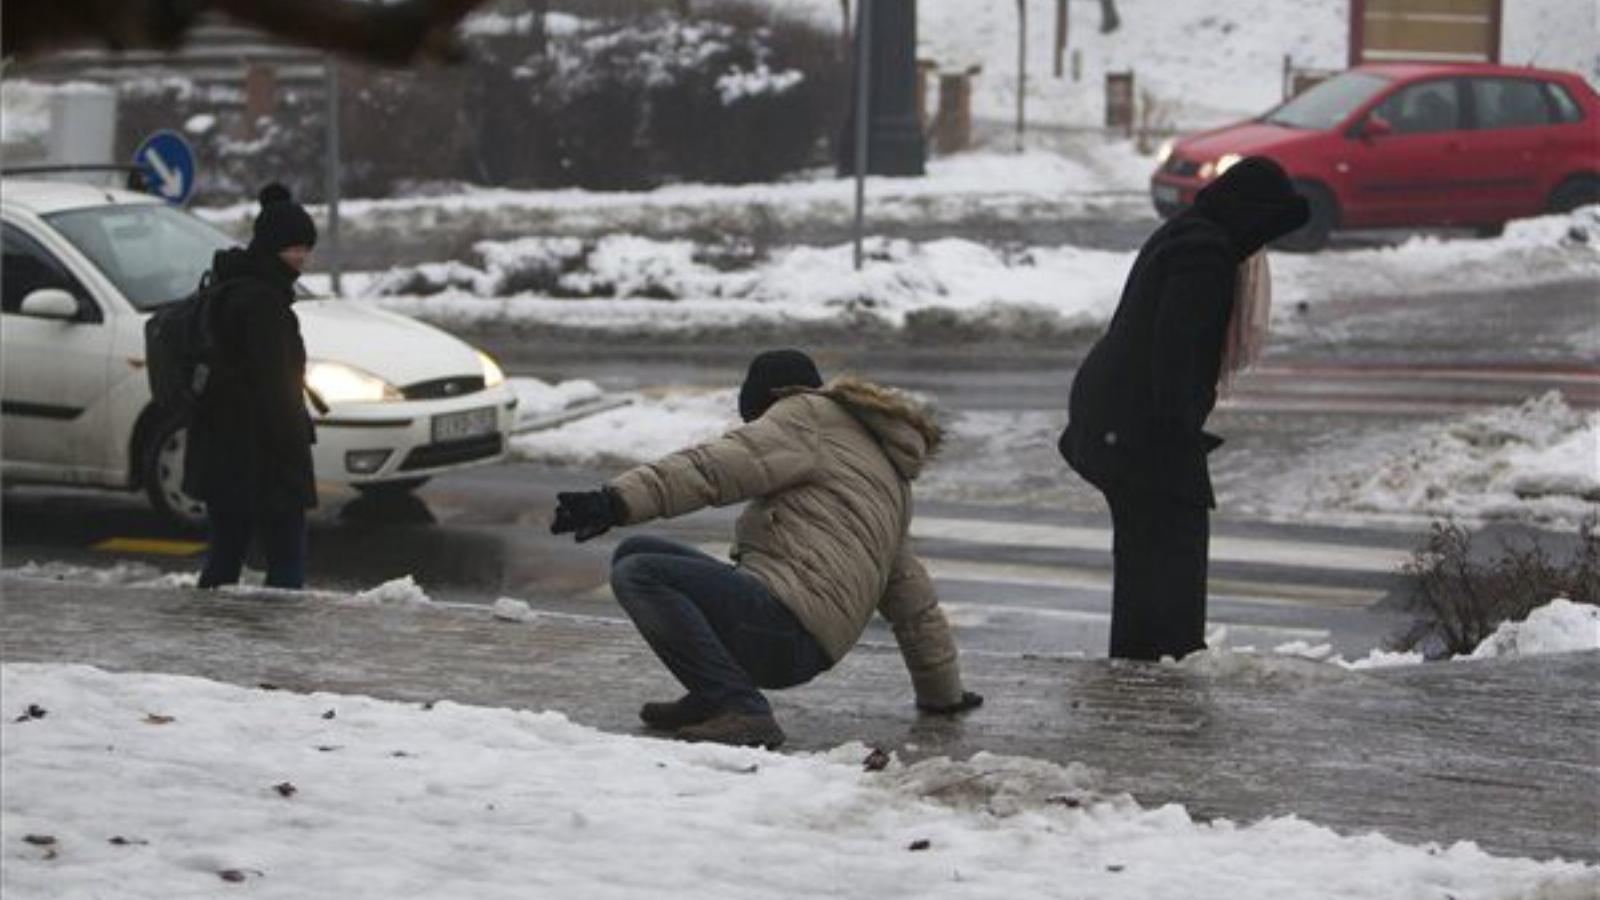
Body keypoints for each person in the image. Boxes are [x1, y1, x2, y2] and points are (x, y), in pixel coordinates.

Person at [551, 349, 982, 749]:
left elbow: (714, 468)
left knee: (640, 572)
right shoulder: (881, 472)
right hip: (806, 643)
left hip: (786, 628)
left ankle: (740, 707)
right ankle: (712, 694)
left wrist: (615, 501)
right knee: (636, 550)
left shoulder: (803, 416)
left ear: (767, 401)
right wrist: (943, 695)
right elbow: (913, 600)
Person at [1058, 157, 1309, 661]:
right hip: (1135, 425)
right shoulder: (1206, 256)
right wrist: (1179, 436)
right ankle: (1162, 666)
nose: (1262, 244)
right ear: (1251, 213)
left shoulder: (1188, 233)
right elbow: (1177, 352)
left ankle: (1141, 664)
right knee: (1171, 549)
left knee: (1147, 553)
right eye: (1266, 228)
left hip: (1114, 416)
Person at [185, 183, 318, 589]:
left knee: (225, 554)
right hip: (262, 453)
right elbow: (273, 385)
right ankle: (276, 641)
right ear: (272, 246)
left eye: (305, 248)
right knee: (286, 559)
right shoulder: (263, 303)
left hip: (223, 444)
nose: (301, 257)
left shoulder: (232, 285)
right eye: (293, 248)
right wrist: (294, 441)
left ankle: (212, 633)